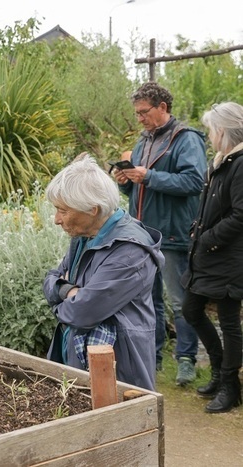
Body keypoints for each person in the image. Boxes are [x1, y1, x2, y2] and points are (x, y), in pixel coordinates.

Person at [44, 155, 164, 391]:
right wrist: (69, 290)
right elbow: (51, 279)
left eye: (62, 211)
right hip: (82, 357)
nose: (56, 219)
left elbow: (82, 312)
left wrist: (63, 298)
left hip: (119, 367)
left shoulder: (129, 251)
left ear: (92, 209)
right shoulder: (85, 234)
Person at [113, 82, 206, 385]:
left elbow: (194, 182)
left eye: (143, 112)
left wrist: (148, 175)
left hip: (175, 235)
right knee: (148, 301)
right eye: (137, 113)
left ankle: (186, 360)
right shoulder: (144, 140)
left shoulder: (186, 139)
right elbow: (138, 187)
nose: (139, 118)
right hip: (145, 236)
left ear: (162, 107)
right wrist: (125, 180)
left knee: (181, 302)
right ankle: (152, 358)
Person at [181, 102, 243, 413]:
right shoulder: (220, 161)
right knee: (191, 309)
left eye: (211, 130)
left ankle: (231, 386)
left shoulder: (241, 163)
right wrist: (198, 231)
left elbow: (241, 215)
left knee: (229, 322)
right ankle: (219, 372)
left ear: (223, 131)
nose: (209, 135)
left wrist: (208, 238)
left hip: (229, 259)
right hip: (207, 256)